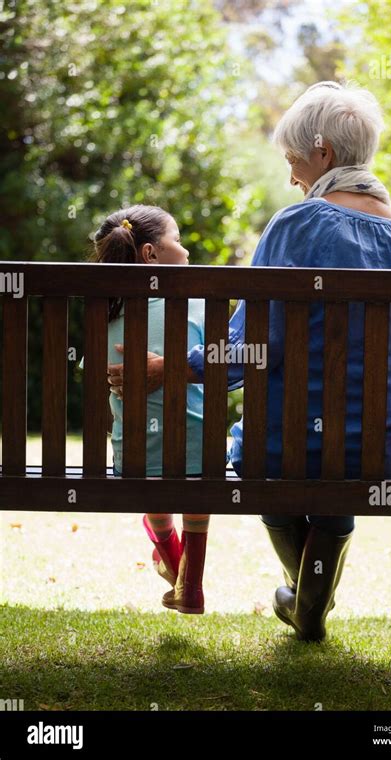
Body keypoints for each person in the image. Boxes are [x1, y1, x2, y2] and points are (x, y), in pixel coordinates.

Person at [108, 83, 391, 641]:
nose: (291, 178)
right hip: (385, 450)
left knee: (256, 449)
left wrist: (171, 368)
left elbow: (252, 348)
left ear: (323, 152)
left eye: (292, 160)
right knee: (336, 462)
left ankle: (304, 603)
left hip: (287, 450)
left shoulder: (296, 225)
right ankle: (304, 604)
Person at [92, 204, 209, 614]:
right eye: (178, 240)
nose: (187, 251)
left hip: (135, 460)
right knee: (194, 462)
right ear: (150, 255)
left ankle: (176, 567)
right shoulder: (198, 301)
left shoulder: (104, 310)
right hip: (200, 457)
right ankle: (190, 582)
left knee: (150, 463)